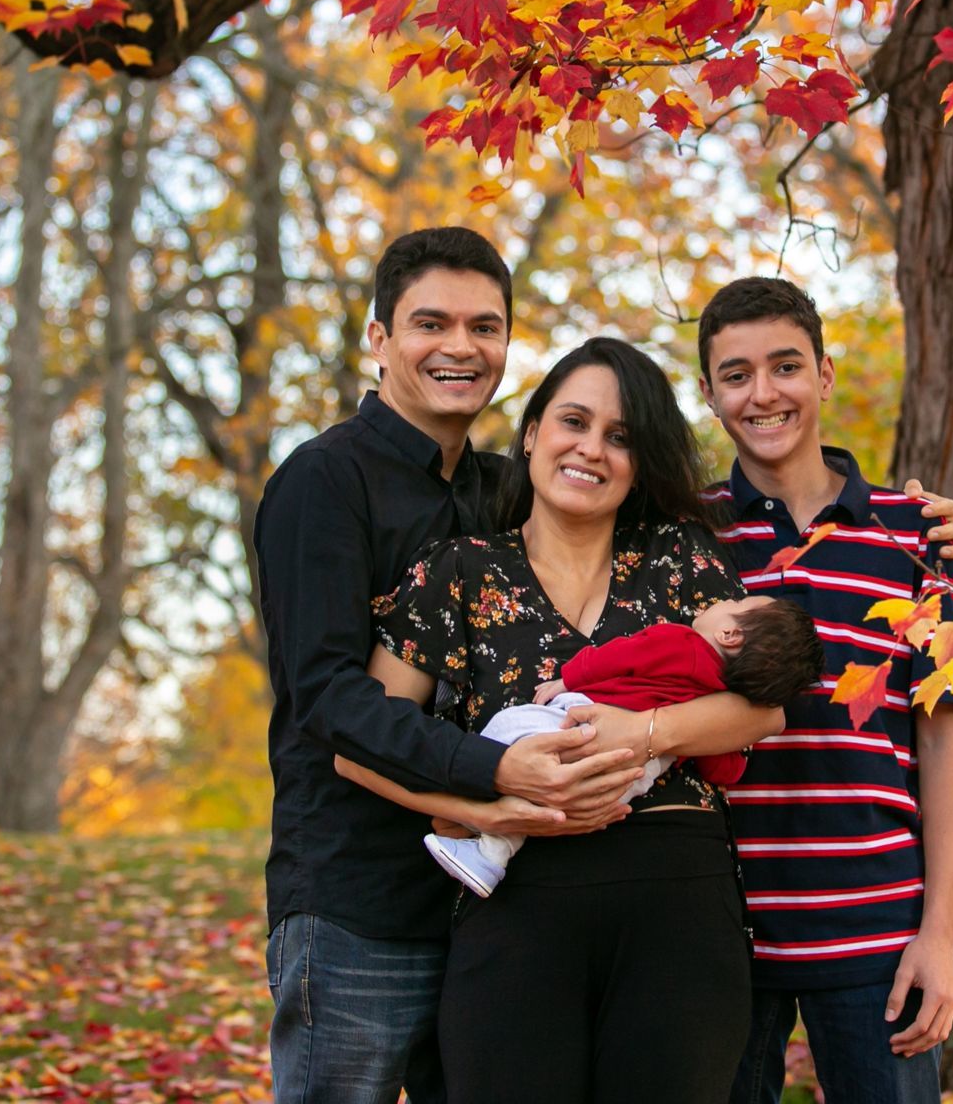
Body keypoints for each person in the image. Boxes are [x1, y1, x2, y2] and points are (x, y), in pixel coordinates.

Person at [251, 228, 644, 1104]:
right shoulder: (324, 482)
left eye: (486, 326)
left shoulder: (508, 487)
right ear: (380, 337)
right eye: (432, 323)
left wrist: (884, 515)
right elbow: (326, 698)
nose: (461, 347)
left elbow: (656, 521)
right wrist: (494, 770)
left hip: (497, 906)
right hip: (360, 898)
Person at [335, 336, 781, 1104]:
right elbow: (359, 747)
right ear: (534, 432)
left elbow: (759, 709)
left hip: (677, 904)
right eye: (573, 421)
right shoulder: (461, 571)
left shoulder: (680, 559)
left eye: (621, 437)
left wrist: (639, 734)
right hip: (516, 906)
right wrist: (483, 806)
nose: (592, 449)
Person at [696, 278, 953, 1104]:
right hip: (721, 930)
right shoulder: (688, 538)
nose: (763, 393)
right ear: (710, 395)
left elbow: (944, 739)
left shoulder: (917, 533)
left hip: (878, 928)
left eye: (785, 366)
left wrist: (940, 935)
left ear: (823, 374)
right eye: (736, 375)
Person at [408, 594, 824, 897]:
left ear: (729, 632)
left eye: (735, 601)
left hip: (587, 719)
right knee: (554, 801)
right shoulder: (721, 699)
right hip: (631, 777)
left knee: (509, 730)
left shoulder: (680, 643)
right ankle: (490, 853)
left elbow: (622, 656)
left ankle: (477, 829)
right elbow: (722, 771)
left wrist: (569, 677)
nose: (726, 598)